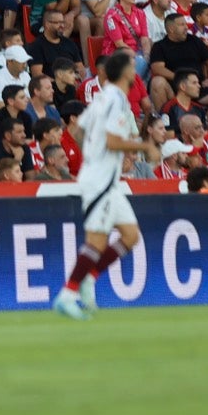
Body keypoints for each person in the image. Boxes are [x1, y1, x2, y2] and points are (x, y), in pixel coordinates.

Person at [53, 51, 159, 320]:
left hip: (105, 180)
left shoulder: (102, 97)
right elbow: (112, 142)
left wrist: (92, 155)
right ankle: (67, 294)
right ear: (124, 72)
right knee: (96, 242)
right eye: (133, 66)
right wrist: (144, 146)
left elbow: (77, 132)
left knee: (130, 235)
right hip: (100, 181)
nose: (136, 71)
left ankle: (89, 277)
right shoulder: (114, 100)